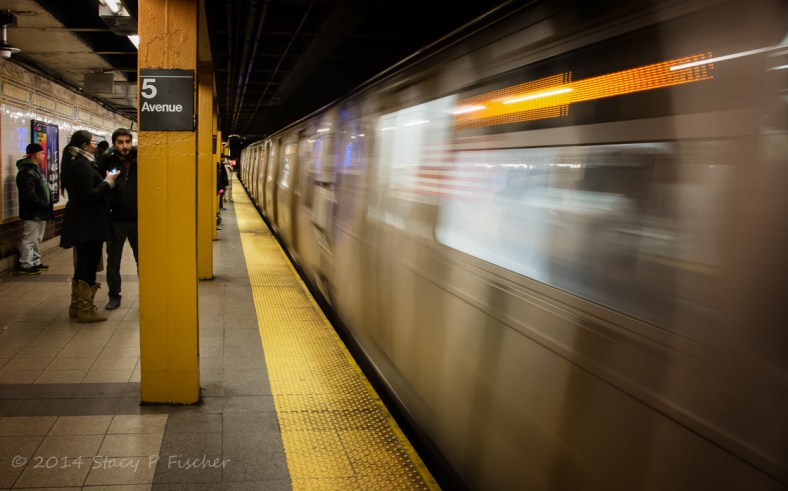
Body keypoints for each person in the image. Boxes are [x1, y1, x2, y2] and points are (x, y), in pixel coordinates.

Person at [60, 130, 119, 323]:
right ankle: (86, 310)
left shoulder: (74, 164)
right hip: (89, 223)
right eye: (92, 142)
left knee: (83, 263)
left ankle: (76, 306)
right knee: (89, 263)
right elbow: (89, 195)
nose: (95, 145)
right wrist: (108, 183)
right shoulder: (82, 166)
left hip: (81, 221)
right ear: (84, 146)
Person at [103, 128, 137, 310]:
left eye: (127, 142)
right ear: (114, 144)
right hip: (115, 219)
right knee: (113, 260)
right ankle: (114, 295)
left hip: (137, 219)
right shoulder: (108, 162)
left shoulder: (139, 160)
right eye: (120, 142)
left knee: (143, 260)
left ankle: (146, 294)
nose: (125, 146)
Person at [15, 143, 53, 274]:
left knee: (37, 239)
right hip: (32, 212)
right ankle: (25, 264)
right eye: (42, 153)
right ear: (36, 155)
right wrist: (43, 203)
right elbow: (29, 194)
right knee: (30, 239)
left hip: (40, 212)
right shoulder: (26, 172)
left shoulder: (36, 170)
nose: (43, 156)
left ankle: (35, 261)